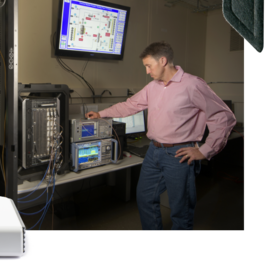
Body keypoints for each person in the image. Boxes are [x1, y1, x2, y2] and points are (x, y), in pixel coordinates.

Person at [86, 41, 236, 231]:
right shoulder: (153, 87)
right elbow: (130, 105)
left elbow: (224, 116)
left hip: (179, 154)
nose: (147, 71)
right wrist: (102, 114)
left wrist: (206, 150)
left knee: (181, 210)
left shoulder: (192, 84)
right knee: (145, 198)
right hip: (153, 151)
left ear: (163, 60)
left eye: (149, 66)